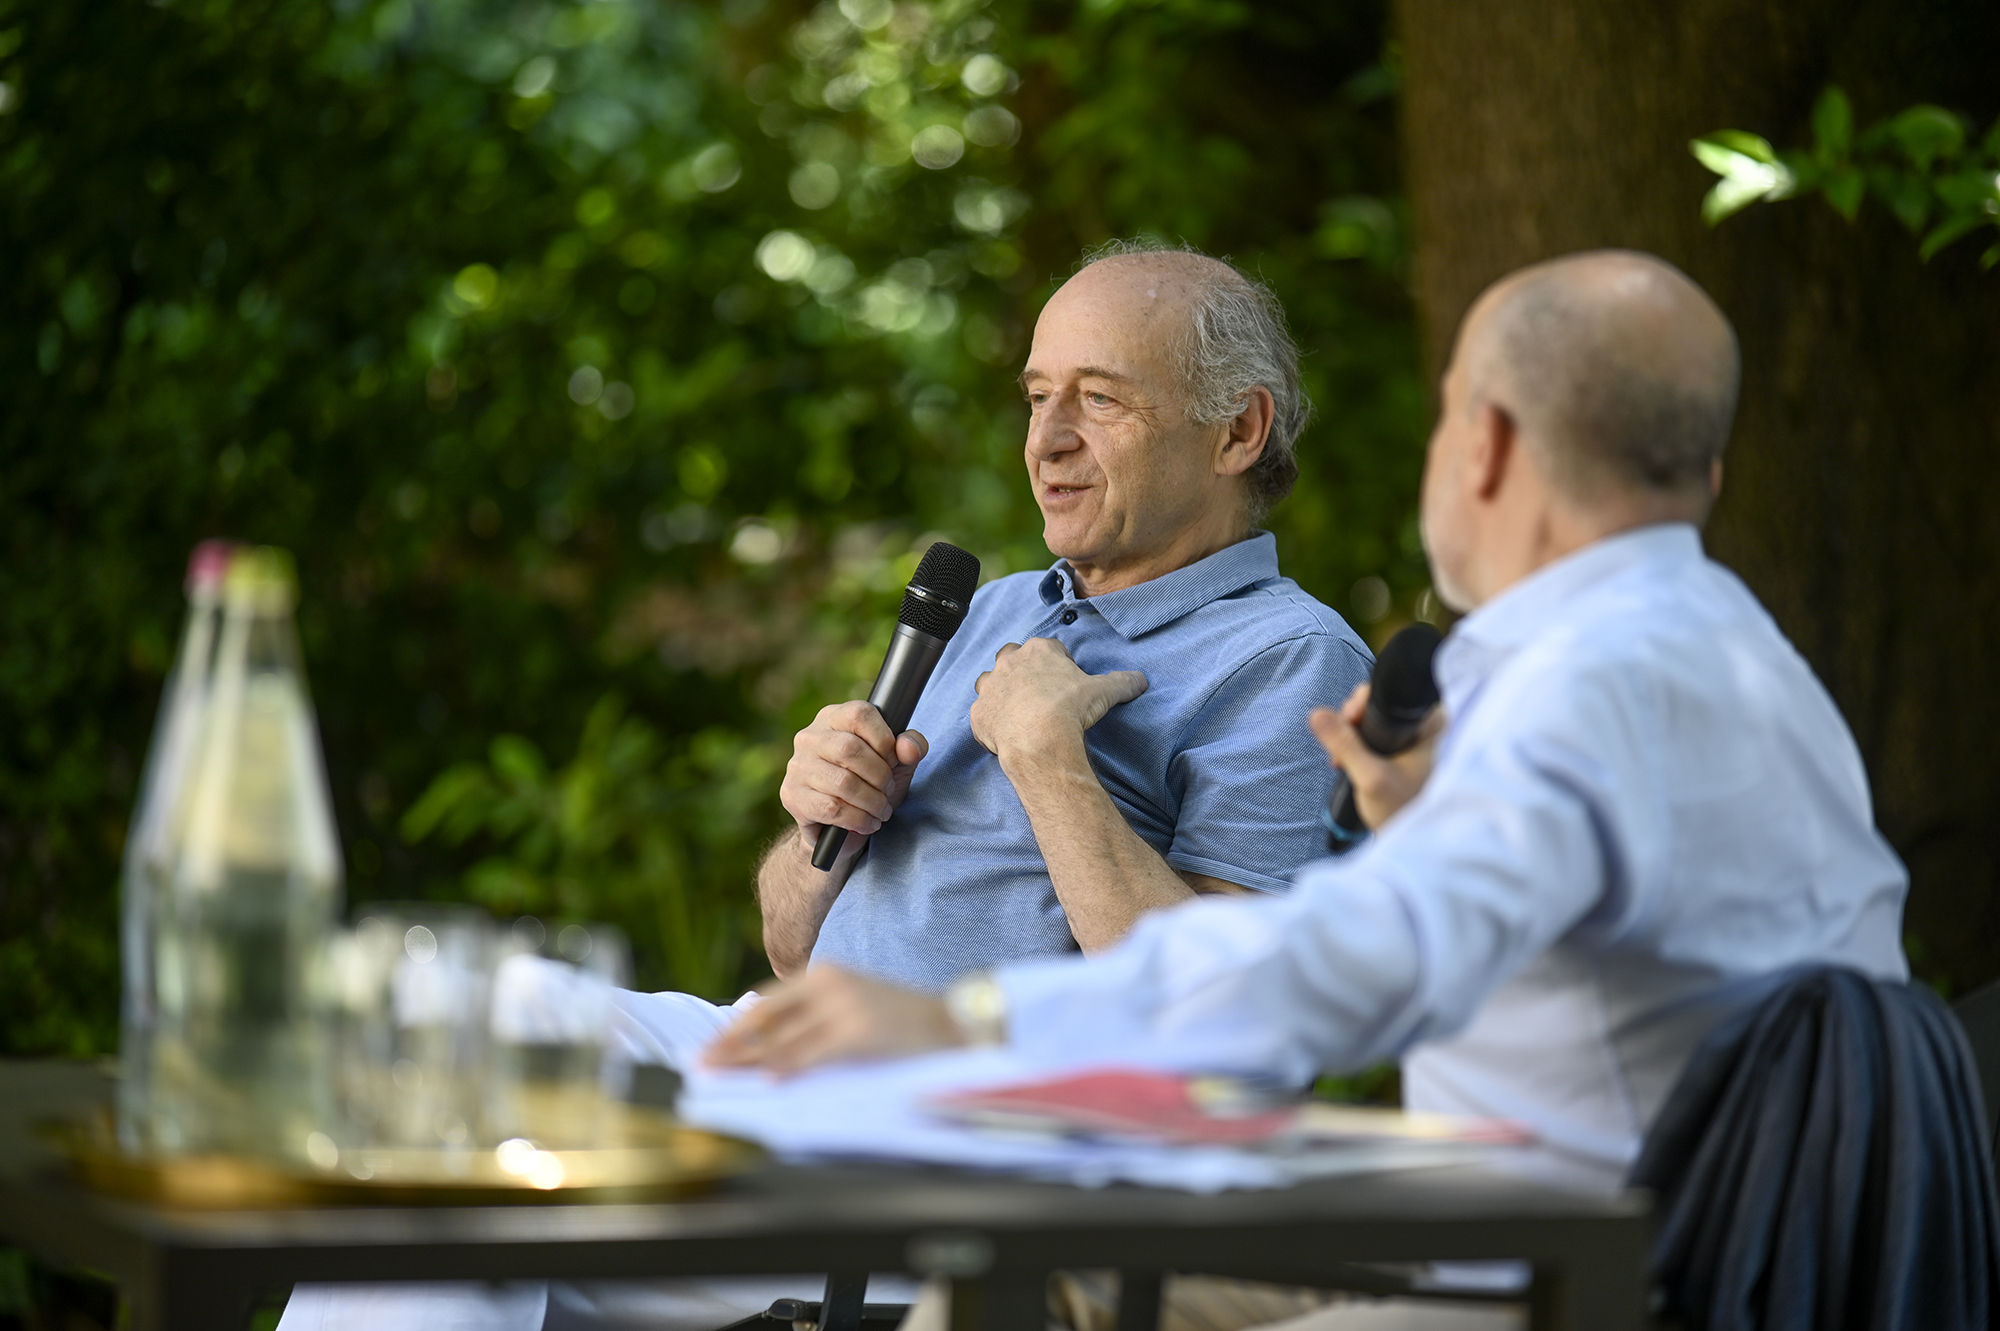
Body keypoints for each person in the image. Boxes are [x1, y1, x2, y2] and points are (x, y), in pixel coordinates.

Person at [706, 250, 1911, 1329]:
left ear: (1482, 444)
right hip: (1637, 1237)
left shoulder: (1575, 684)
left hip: (1551, 1264)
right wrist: (1411, 831)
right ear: (1701, 468)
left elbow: (1354, 964)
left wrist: (969, 1023)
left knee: (1022, 1282)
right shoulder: (1745, 658)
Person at [279, 240, 1372, 1331]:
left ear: (1238, 430)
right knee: (471, 1016)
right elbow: (796, 942)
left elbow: (1220, 1031)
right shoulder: (989, 609)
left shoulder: (1288, 660)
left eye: (1100, 400)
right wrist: (818, 825)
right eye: (1036, 397)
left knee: (467, 1155)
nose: (1047, 441)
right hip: (782, 1059)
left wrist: (1050, 766)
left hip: (960, 1140)